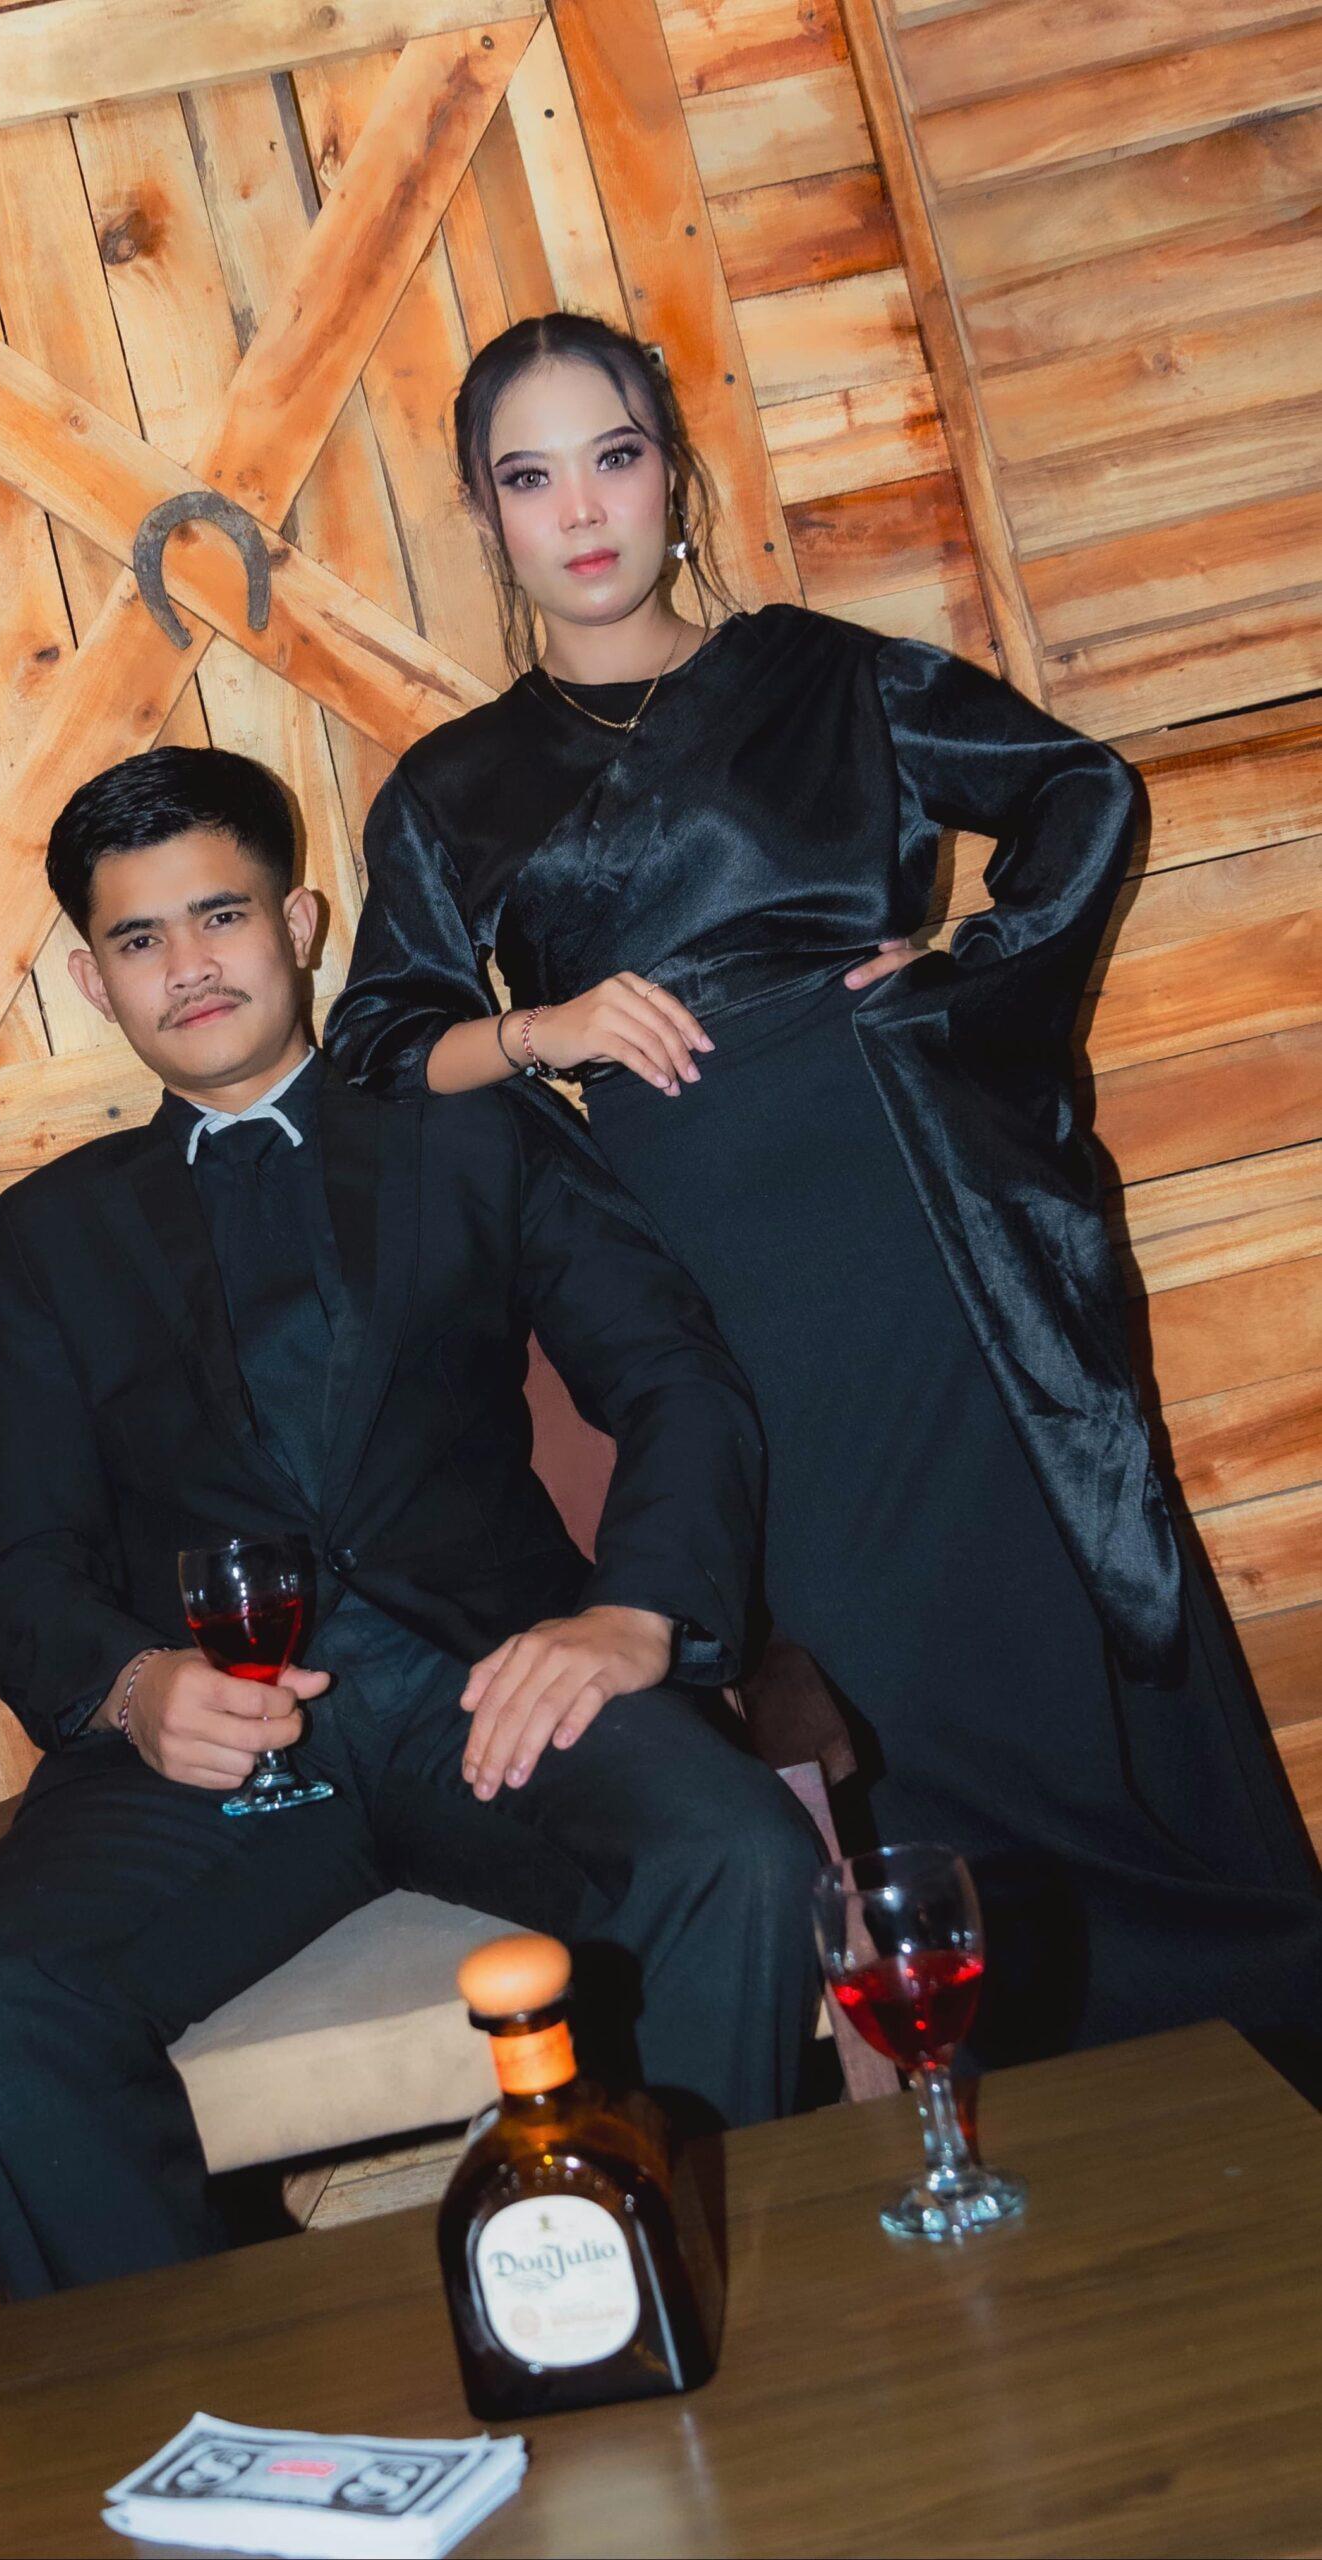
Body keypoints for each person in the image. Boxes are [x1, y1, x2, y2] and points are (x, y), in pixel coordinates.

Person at [326, 310, 1322, 2067]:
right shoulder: (449, 787)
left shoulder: (825, 676)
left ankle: (1247, 2049)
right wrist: (542, 1027)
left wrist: (958, 974)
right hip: (715, 1287)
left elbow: (1079, 791)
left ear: (671, 473)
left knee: (1042, 1639)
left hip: (921, 1231)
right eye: (529, 478)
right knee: (880, 1690)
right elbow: (378, 1051)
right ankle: (999, 2092)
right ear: (484, 517)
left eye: (613, 457)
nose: (581, 511)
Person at [0, 744, 823, 2300]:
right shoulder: (50, 1234)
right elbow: (19, 1570)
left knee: (738, 1857)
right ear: (93, 982)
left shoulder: (473, 1131)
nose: (189, 966)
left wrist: (631, 1613)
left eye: (220, 915)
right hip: (220, 1749)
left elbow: (675, 1382)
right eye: (139, 939)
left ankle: (701, 2307)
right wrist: (134, 1686)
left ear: (299, 924)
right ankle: (197, 2405)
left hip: (491, 1687)